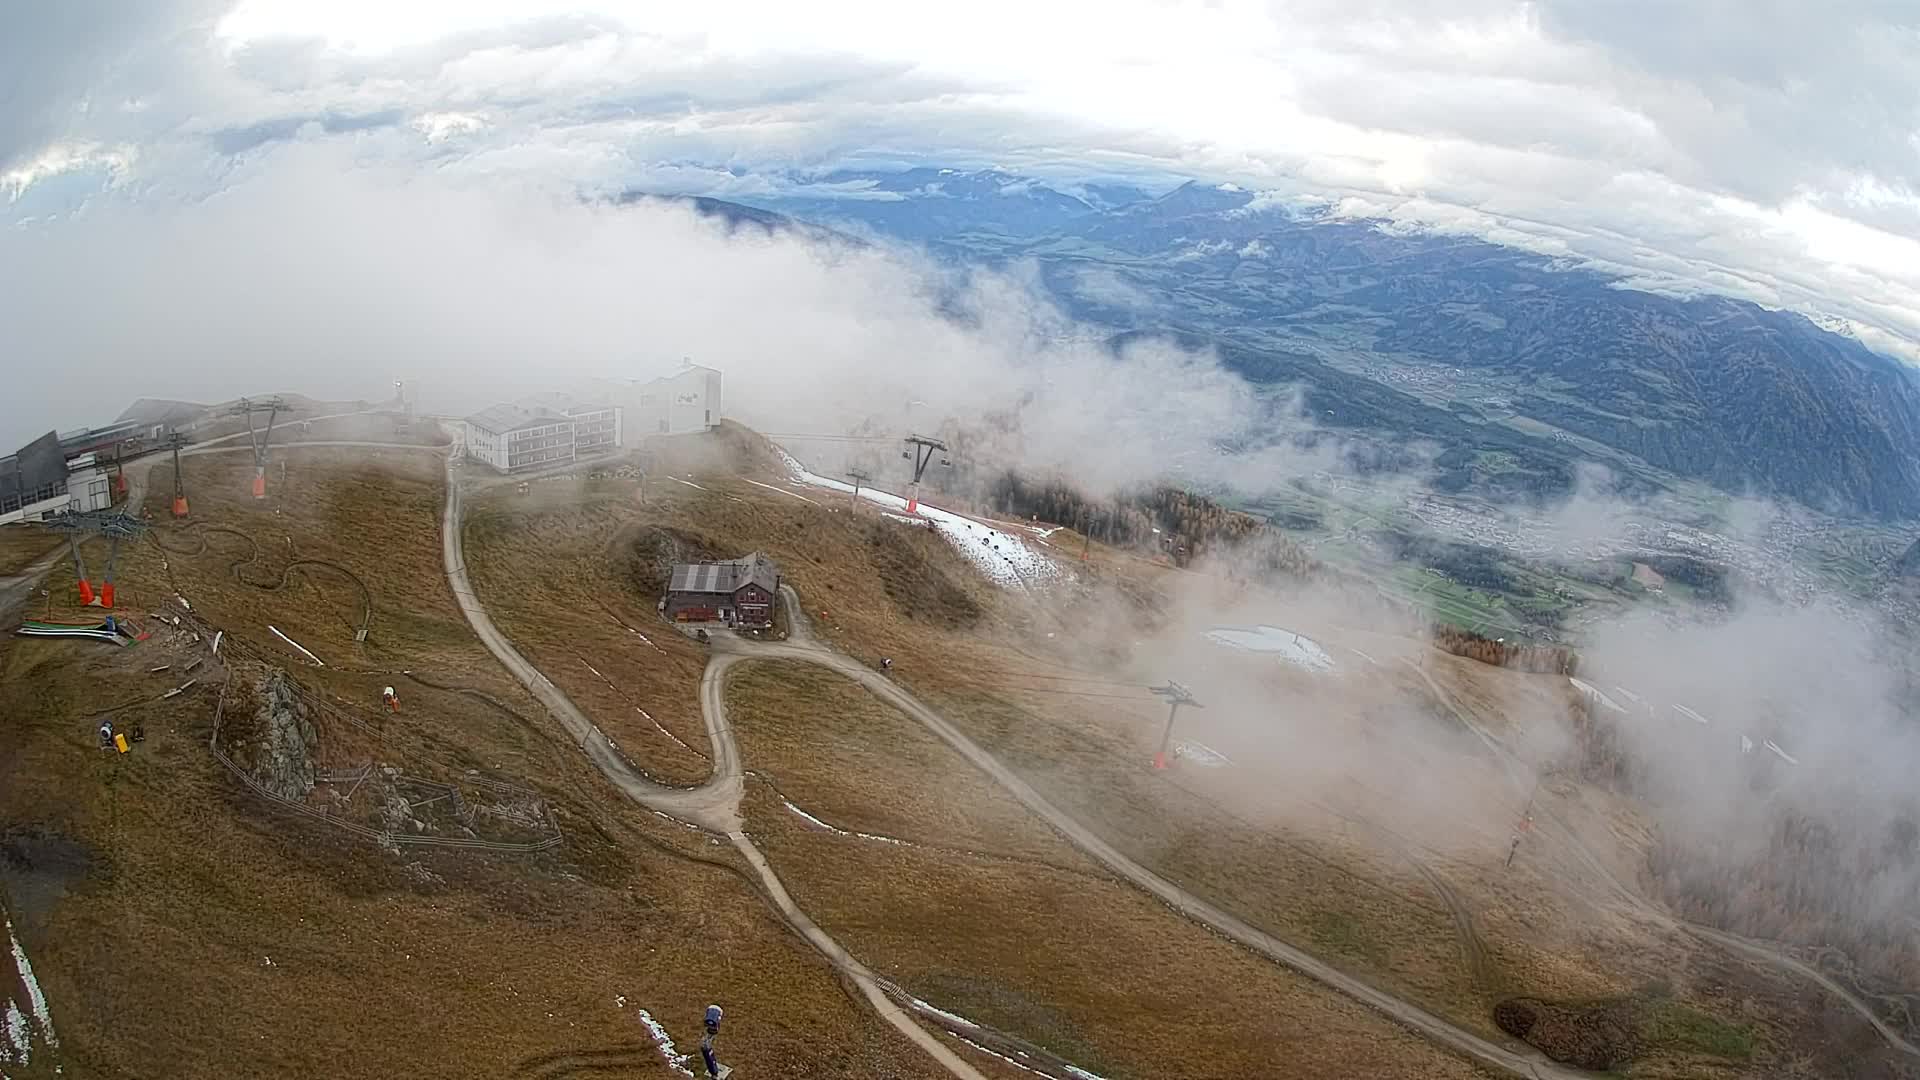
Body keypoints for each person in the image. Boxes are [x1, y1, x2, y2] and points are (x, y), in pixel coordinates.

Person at [700, 1004, 723, 1077]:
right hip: (709, 1036)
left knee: (706, 1049)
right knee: (706, 1049)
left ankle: (714, 1072)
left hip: (709, 1039)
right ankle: (713, 1071)